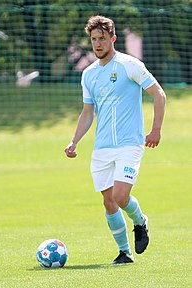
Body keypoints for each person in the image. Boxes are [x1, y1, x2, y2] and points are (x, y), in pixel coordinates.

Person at [64, 15, 166, 264]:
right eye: (93, 39)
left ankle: (140, 220)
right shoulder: (88, 74)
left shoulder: (129, 65)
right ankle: (124, 253)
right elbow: (88, 112)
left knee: (121, 197)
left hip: (130, 144)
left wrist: (156, 130)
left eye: (102, 39)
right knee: (108, 202)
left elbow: (159, 94)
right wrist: (74, 141)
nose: (97, 44)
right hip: (102, 148)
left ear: (113, 39)